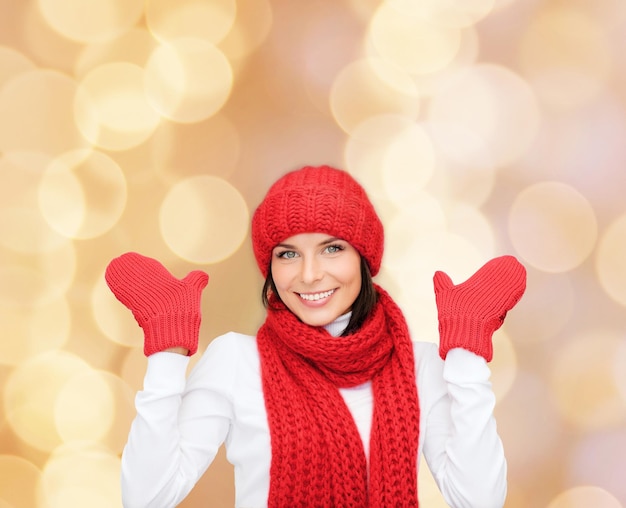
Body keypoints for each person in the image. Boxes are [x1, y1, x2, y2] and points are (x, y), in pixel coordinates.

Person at [105, 164, 527, 508]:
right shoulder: (236, 360)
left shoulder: (421, 366)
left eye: (332, 248)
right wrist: (167, 353)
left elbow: (479, 501)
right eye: (288, 253)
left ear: (364, 257)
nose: (309, 274)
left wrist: (468, 355)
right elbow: (146, 497)